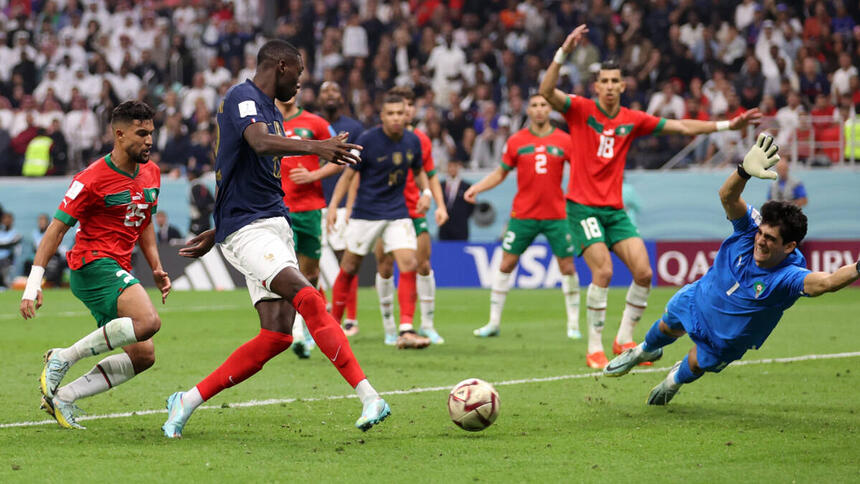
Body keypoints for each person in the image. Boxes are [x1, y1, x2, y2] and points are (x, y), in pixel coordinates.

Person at [161, 40, 389, 438]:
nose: (300, 84)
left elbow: (245, 176)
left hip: (266, 224)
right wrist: (317, 147)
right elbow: (259, 143)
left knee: (277, 336)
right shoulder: (242, 97)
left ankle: (187, 400)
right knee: (309, 298)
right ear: (281, 66)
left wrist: (220, 226)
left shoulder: (269, 110)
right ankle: (369, 395)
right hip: (251, 231)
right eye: (298, 75)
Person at [539, 25, 762, 369]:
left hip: (614, 211)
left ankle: (623, 337)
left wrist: (727, 126)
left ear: (623, 86)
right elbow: (546, 90)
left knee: (644, 273)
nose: (610, 87)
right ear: (596, 86)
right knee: (604, 271)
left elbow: (683, 127)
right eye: (605, 81)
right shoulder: (580, 110)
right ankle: (594, 347)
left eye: (616, 81)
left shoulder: (633, 119)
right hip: (582, 207)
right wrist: (563, 52)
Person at [604, 134, 860, 404]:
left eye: (770, 239)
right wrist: (743, 172)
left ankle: (673, 381)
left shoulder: (788, 276)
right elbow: (727, 196)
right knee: (667, 325)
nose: (760, 240)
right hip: (698, 299)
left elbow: (827, 282)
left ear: (789, 246)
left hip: (724, 338)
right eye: (761, 234)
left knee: (693, 364)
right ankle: (643, 351)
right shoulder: (750, 229)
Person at [19, 101, 170, 429]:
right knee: (148, 321)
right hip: (91, 265)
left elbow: (142, 221)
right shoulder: (90, 179)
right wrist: (33, 285)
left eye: (151, 133)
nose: (149, 141)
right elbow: (55, 231)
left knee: (144, 356)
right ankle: (63, 357)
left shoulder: (152, 173)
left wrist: (157, 267)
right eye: (141, 133)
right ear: (119, 134)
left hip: (119, 268)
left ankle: (64, 397)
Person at [465, 94, 580, 339]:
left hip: (556, 215)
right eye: (535, 105)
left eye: (544, 105)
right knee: (506, 263)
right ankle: (493, 323)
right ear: (528, 109)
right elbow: (500, 173)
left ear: (550, 109)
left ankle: (573, 325)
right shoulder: (516, 141)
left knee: (567, 266)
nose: (539, 110)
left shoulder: (565, 140)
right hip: (523, 214)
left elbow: (581, 172)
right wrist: (478, 187)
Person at [327, 93, 433, 349]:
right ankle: (331, 327)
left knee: (409, 262)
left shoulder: (412, 141)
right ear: (382, 117)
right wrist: (334, 205)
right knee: (350, 266)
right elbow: (348, 176)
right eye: (391, 114)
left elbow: (419, 172)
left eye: (400, 113)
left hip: (397, 212)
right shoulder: (368, 141)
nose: (396, 118)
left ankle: (406, 328)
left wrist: (426, 193)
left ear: (406, 115)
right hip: (367, 214)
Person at [370, 86, 448, 345]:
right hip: (384, 211)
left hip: (414, 209)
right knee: (384, 265)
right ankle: (390, 326)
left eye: (410, 105)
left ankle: (426, 324)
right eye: (401, 106)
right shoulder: (376, 139)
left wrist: (439, 204)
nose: (406, 111)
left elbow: (430, 174)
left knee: (422, 264)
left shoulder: (420, 140)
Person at [275, 93, 343, 359]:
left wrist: (314, 174)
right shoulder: (267, 124)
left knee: (310, 274)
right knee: (288, 271)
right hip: (279, 208)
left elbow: (340, 156)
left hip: (311, 209)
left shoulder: (315, 123)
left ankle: (308, 326)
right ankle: (298, 332)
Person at [317, 81, 364, 332]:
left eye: (335, 90)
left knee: (346, 260)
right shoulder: (311, 124)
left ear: (342, 96)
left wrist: (352, 205)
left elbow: (356, 171)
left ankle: (351, 319)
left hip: (344, 204)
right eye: (325, 91)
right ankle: (323, 307)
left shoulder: (354, 127)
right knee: (311, 259)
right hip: (314, 202)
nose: (330, 95)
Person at [439, 160, 474, 241]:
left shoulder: (466, 186)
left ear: (458, 168)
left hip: (461, 226)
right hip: (444, 226)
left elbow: (471, 206)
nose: (452, 169)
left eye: (454, 166)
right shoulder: (441, 186)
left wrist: (462, 216)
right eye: (450, 166)